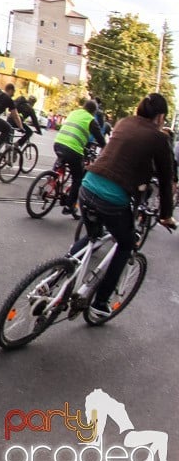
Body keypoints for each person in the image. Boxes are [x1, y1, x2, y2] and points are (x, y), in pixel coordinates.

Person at [76, 93, 175, 318]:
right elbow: (166, 180)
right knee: (127, 243)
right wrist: (166, 215)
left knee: (92, 237)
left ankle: (62, 270)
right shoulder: (159, 138)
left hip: (87, 186)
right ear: (160, 117)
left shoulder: (124, 122)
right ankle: (100, 302)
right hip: (111, 199)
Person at [54, 100, 106, 217]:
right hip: (73, 150)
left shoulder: (74, 113)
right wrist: (106, 149)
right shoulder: (91, 120)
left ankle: (53, 177)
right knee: (78, 178)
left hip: (58, 143)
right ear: (94, 112)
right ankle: (69, 206)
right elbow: (100, 139)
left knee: (63, 159)